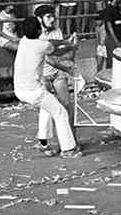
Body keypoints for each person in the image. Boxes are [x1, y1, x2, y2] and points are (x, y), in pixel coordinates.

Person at [13, 15, 78, 157]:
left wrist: (65, 40)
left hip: (20, 89)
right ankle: (68, 149)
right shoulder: (41, 45)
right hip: (34, 91)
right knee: (60, 113)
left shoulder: (24, 41)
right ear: (38, 30)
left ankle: (43, 143)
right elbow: (56, 51)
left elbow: (50, 42)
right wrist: (72, 46)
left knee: (47, 108)